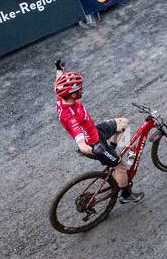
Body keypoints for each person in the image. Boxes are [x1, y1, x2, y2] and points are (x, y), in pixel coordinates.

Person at [54, 64, 143, 204]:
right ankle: (126, 194)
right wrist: (94, 150)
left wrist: (59, 69)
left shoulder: (61, 96)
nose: (82, 90)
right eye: (80, 89)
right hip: (94, 144)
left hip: (95, 131)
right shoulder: (70, 117)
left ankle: (112, 152)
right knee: (121, 167)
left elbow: (59, 82)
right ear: (72, 94)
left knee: (124, 124)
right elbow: (82, 145)